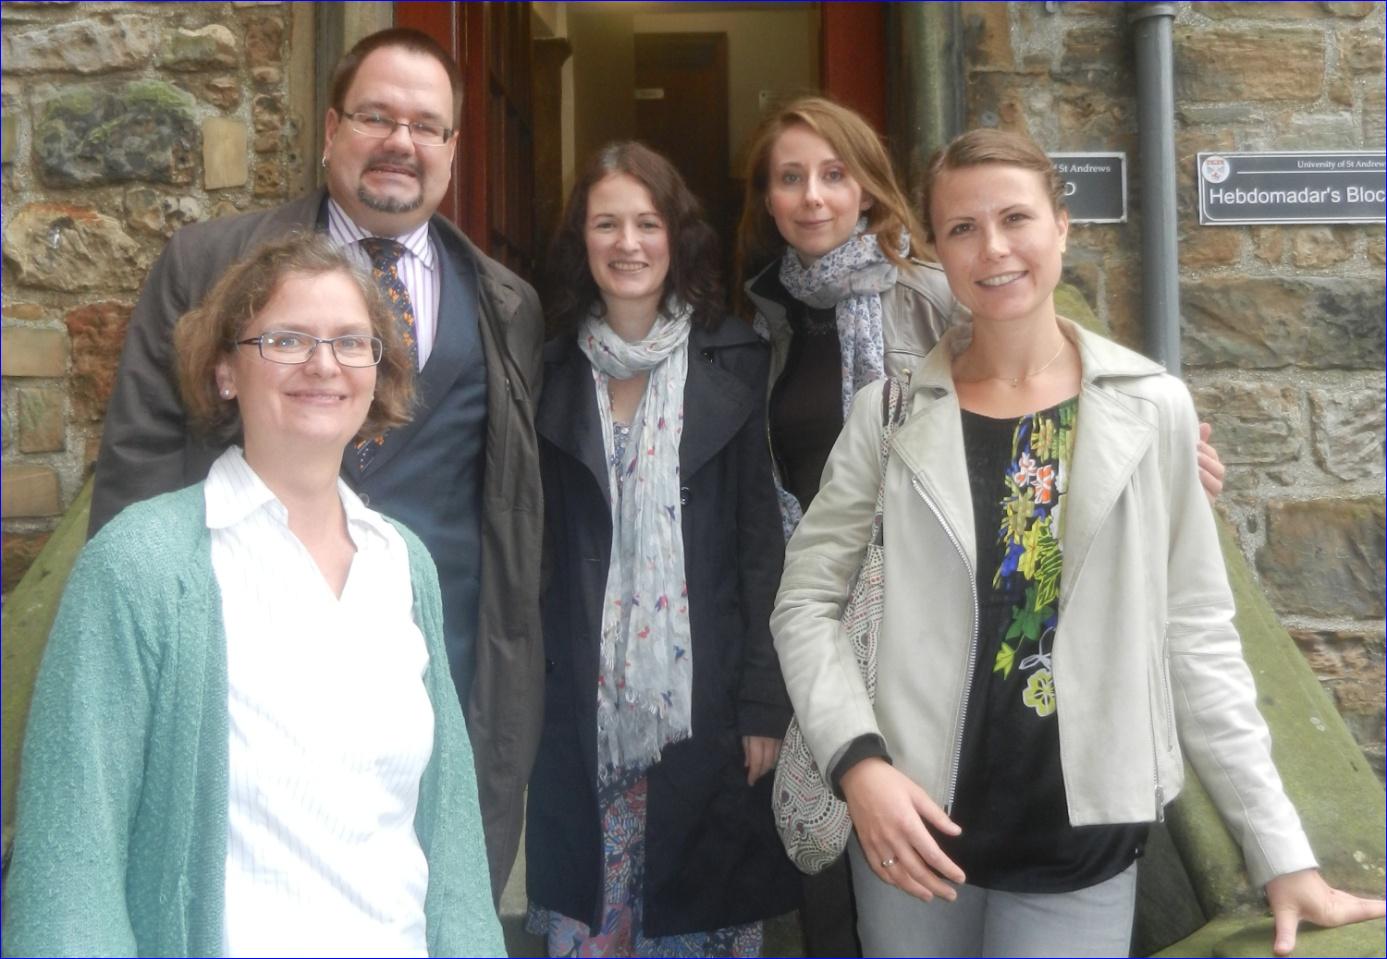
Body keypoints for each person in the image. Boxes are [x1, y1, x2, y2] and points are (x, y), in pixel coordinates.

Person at [770, 127, 1386, 958]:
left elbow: (1197, 635)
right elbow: (805, 602)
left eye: (1015, 217)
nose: (992, 248)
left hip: (1080, 847)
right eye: (960, 228)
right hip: (911, 836)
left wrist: (1280, 853)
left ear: (1061, 228)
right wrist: (858, 764)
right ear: (937, 250)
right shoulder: (887, 414)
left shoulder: (1151, 409)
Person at [736, 97, 1227, 956]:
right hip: (857, 661)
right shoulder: (761, 319)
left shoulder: (939, 292)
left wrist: (1160, 452)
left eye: (833, 172)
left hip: (1005, 716)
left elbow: (1047, 374)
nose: (812, 196)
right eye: (789, 177)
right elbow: (785, 544)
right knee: (832, 910)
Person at [86, 27, 542, 896]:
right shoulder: (205, 266)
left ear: (452, 148)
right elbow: (138, 470)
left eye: (425, 125)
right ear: (330, 129)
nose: (400, 142)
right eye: (376, 116)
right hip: (239, 691)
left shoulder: (507, 304)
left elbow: (511, 515)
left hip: (423, 689)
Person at [2, 235, 503, 957]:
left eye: (350, 342)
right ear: (226, 370)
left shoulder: (403, 564)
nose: (323, 363)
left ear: (376, 373)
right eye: (287, 338)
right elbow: (69, 863)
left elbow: (448, 845)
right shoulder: (143, 566)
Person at [524, 142, 801, 957]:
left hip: (703, 713)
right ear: (582, 241)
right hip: (581, 711)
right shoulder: (545, 371)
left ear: (675, 236)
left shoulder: (736, 361)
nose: (627, 242)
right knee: (592, 933)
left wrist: (762, 704)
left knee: (698, 926)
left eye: (646, 222)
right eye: (605, 223)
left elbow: (762, 547)